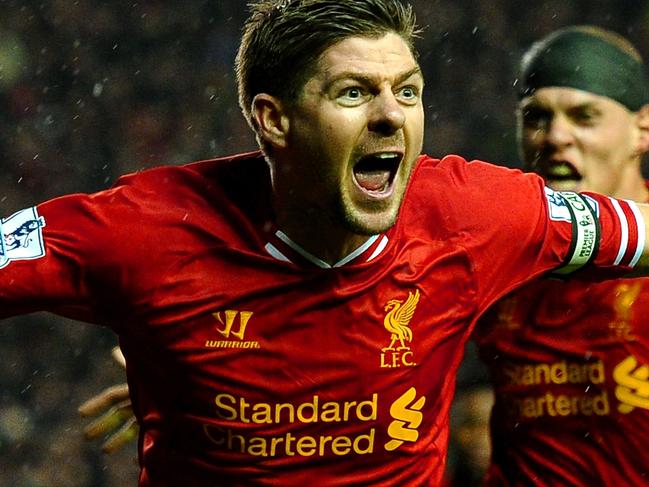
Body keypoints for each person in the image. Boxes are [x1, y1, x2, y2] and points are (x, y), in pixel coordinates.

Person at [2, 1, 649, 484]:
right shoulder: (141, 231)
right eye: (352, 92)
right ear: (272, 119)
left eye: (407, 91)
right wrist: (185, 375)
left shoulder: (473, 215)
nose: (390, 114)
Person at [473, 26, 649, 485]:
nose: (555, 137)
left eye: (584, 116)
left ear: (642, 131)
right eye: (535, 117)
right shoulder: (495, 258)